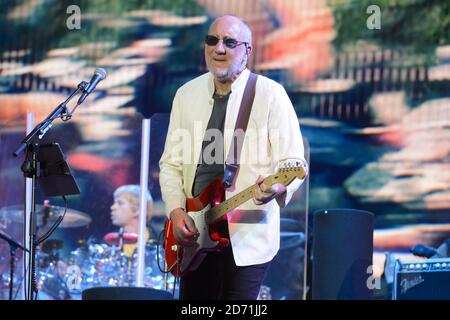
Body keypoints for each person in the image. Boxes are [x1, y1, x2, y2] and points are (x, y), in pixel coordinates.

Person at [159, 15, 307, 300]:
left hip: (248, 236)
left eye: (230, 42)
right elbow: (170, 164)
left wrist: (280, 187)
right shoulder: (185, 94)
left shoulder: (271, 95)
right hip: (194, 233)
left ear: (248, 51)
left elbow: (293, 162)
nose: (219, 49)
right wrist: (176, 212)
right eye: (212, 40)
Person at [109, 184, 154, 258]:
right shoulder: (110, 243)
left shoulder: (160, 244)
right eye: (114, 203)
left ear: (137, 210)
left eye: (120, 203)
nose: (113, 207)